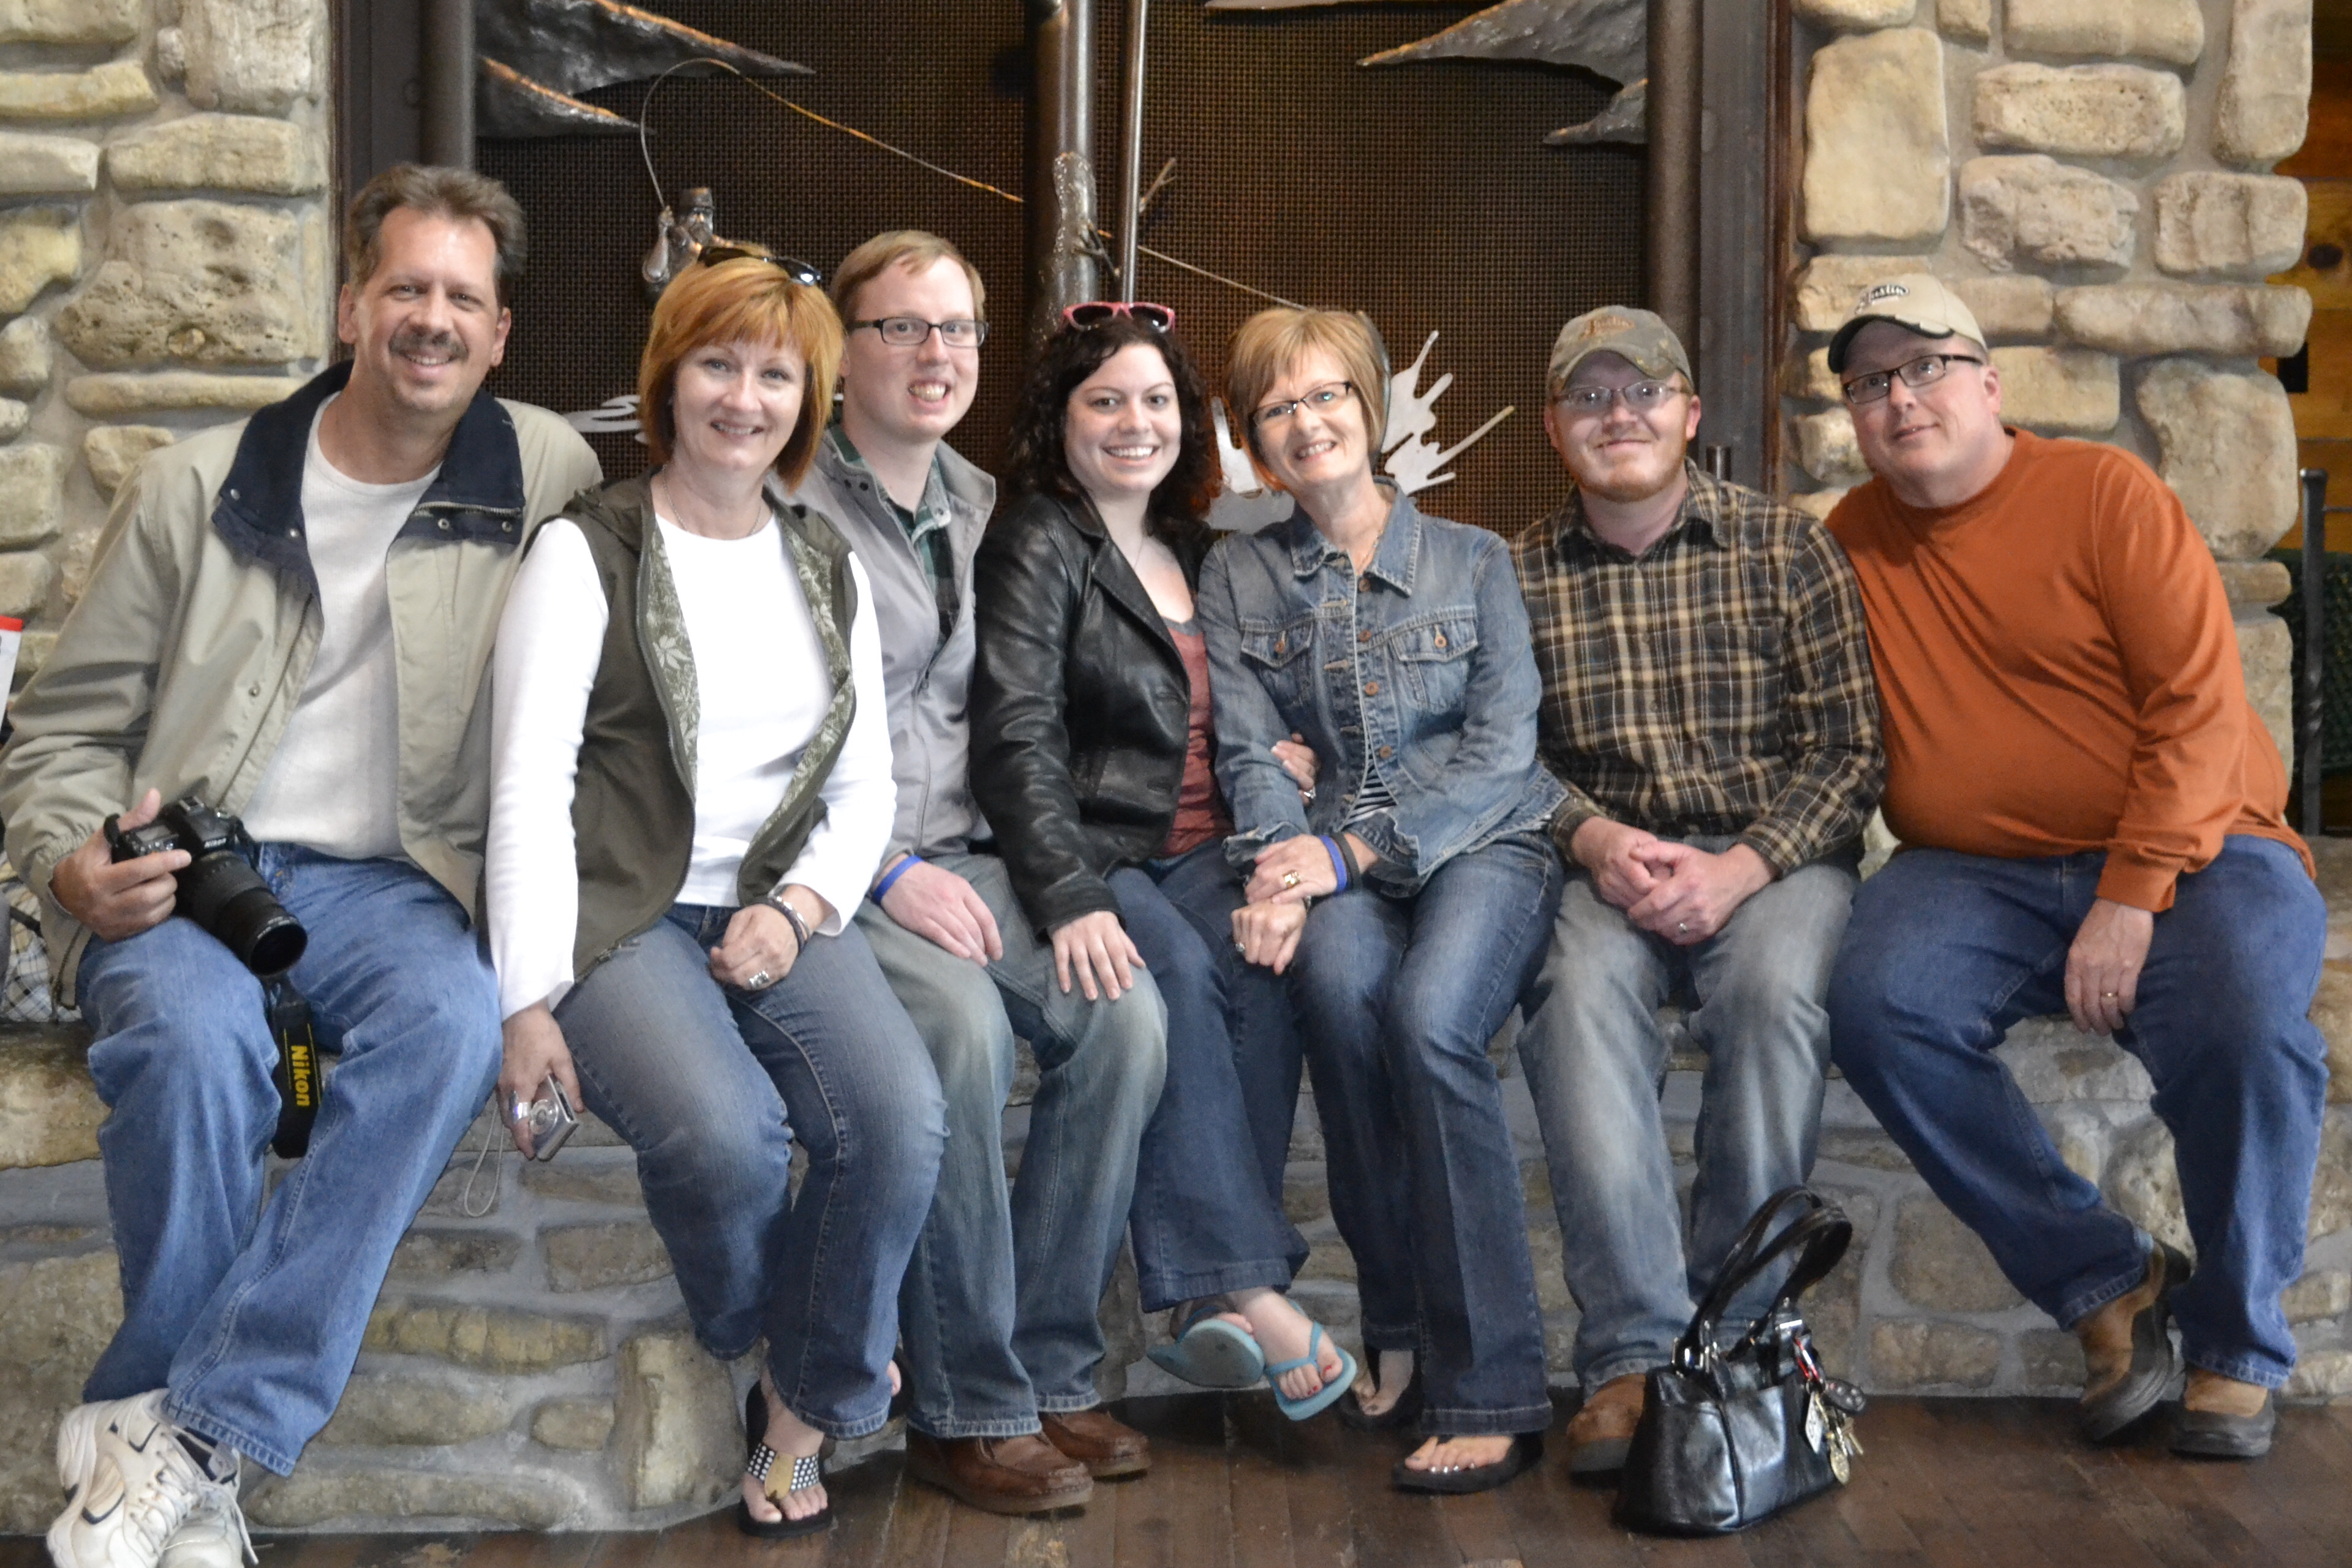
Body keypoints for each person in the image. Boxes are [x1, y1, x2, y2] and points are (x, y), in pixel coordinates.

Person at [1, 166, 602, 1568]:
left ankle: (180, 1432)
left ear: (501, 333)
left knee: (450, 1021)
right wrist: (74, 865)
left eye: (464, 297)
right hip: (194, 871)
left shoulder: (546, 475)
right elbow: (61, 729)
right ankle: (196, 1459)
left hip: (396, 882)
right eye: (406, 287)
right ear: (349, 306)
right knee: (190, 1047)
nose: (433, 318)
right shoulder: (194, 488)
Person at [1822, 274, 2327, 1460]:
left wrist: (2130, 895)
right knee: (1877, 1005)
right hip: (1975, 869)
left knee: (2248, 1027)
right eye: (1872, 382)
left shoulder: (2105, 493)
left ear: (1991, 384)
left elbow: (2198, 708)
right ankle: (2108, 1282)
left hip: (2204, 846)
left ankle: (2237, 1344)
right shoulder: (1850, 538)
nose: (1902, 399)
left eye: (1927, 367)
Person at [486, 254, 944, 1536]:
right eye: (717, 365)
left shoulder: (824, 563)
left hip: (776, 905)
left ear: (809, 399)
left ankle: (795, 1414)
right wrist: (526, 1001)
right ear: (668, 380)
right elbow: (525, 785)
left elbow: (865, 788)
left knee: (897, 1115)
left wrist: (797, 910)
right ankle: (802, 1357)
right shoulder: (587, 552)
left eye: (775, 374)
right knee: (727, 1137)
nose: (744, 398)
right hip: (621, 909)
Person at [789, 233, 1167, 1514]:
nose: (935, 353)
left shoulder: (985, 498)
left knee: (1124, 1017)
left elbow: (1028, 708)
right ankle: (967, 1408)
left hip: (971, 852)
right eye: (901, 327)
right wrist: (886, 869)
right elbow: (754, 737)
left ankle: (1056, 1368)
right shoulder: (785, 495)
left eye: (956, 328)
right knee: (960, 1032)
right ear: (842, 351)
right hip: (834, 871)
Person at [1509, 306, 1883, 1477]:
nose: (1618, 415)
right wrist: (1592, 837)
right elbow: (1499, 757)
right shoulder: (1511, 576)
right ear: (1555, 428)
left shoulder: (1788, 549)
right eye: (1588, 397)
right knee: (1574, 1004)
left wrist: (1743, 867)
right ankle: (1630, 1354)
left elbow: (1850, 753)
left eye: (1644, 392)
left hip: (1772, 857)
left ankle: (1739, 1333)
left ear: (1690, 413)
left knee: (1773, 1000)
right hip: (1605, 863)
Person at [1198, 306, 1566, 1493]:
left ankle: (1492, 1387)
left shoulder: (1475, 559)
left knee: (1431, 1021)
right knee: (1342, 994)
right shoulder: (1241, 572)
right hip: (1328, 859)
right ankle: (1398, 1322)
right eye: (1276, 408)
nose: (1306, 422)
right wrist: (1278, 867)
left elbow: (1502, 758)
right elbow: (1249, 749)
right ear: (1256, 442)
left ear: (1372, 407)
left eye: (1327, 395)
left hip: (1483, 849)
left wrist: (1345, 856)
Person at [970, 301, 1354, 1419]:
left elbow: (1267, 698)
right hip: (1101, 846)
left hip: (1209, 844)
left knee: (1266, 967)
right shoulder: (1040, 541)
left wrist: (1281, 749)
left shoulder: (1203, 552)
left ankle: (1202, 1305)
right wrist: (1070, 895)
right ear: (1061, 419)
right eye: (1105, 401)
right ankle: (1242, 1290)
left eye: (1155, 400)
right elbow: (1015, 737)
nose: (1134, 422)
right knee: (1174, 971)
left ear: (1187, 420)